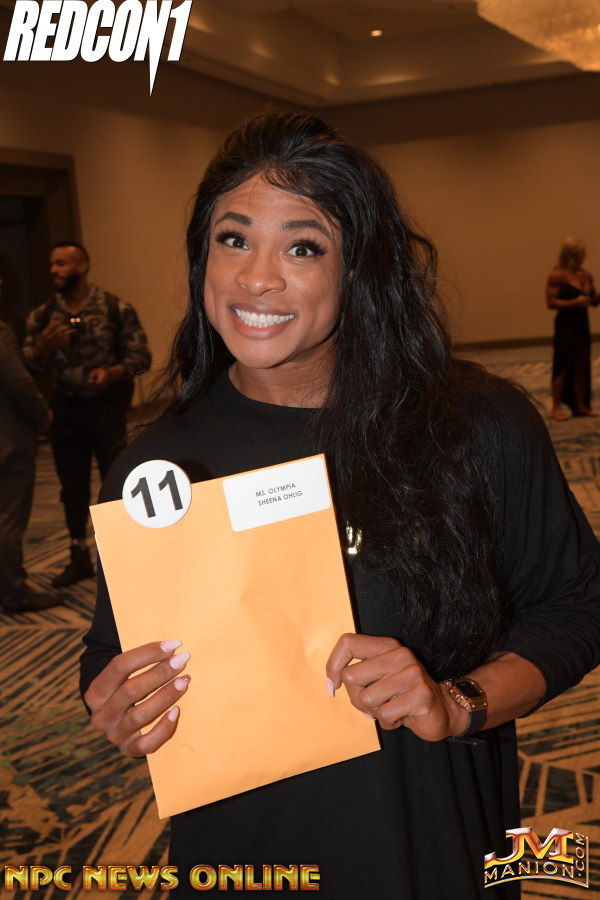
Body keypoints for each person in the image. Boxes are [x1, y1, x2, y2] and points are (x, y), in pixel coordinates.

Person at [79, 112, 600, 899]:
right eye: (233, 239)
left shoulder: (475, 426)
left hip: (429, 852)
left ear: (358, 269)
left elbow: (576, 606)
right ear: (201, 258)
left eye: (303, 247)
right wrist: (118, 702)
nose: (257, 278)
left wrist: (455, 702)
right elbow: (113, 649)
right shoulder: (156, 470)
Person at [23, 242, 151, 587]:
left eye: (62, 263)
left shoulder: (114, 308)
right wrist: (43, 348)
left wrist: (111, 373)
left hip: (107, 409)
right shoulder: (42, 316)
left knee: (116, 481)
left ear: (83, 266)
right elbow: (29, 365)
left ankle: (125, 555)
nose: (54, 270)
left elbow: (142, 358)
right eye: (52, 264)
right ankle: (78, 554)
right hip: (66, 410)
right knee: (72, 487)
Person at [0, 316, 62, 613]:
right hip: (7, 440)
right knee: (8, 521)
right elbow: (18, 382)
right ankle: (14, 594)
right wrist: (42, 414)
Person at [546, 236, 598, 420]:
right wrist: (574, 302)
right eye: (583, 252)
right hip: (565, 326)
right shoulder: (557, 275)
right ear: (573, 254)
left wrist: (594, 298)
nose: (585, 255)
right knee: (563, 365)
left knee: (581, 364)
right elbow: (551, 302)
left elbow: (593, 301)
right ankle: (556, 407)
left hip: (582, 324)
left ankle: (580, 405)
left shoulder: (586, 275)